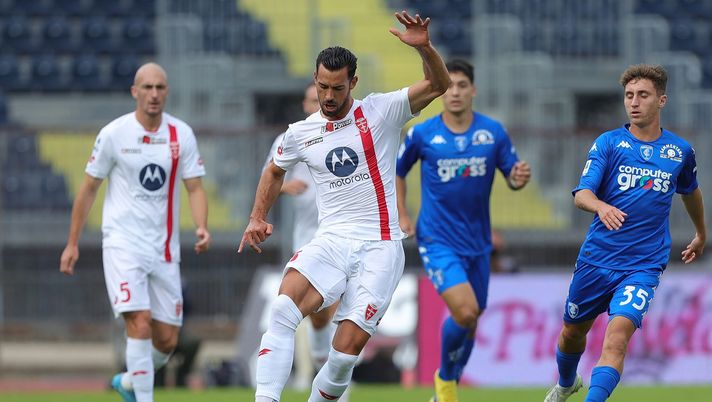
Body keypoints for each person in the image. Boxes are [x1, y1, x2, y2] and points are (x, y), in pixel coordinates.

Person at [238, 10, 450, 402]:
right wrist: (257, 217)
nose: (329, 97)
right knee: (284, 308)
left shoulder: (381, 111)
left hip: (380, 247)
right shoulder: (301, 133)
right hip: (332, 239)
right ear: (314, 83)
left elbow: (439, 83)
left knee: (342, 357)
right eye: (322, 87)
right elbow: (273, 170)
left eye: (337, 88)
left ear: (353, 81)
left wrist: (425, 49)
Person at [544, 64, 706, 402]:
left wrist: (701, 233)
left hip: (643, 265)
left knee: (617, 338)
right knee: (571, 334)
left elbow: (690, 191)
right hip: (597, 258)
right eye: (629, 95)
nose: (634, 102)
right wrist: (601, 206)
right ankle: (565, 383)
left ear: (661, 100)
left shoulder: (679, 152)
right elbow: (582, 194)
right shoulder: (609, 144)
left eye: (643, 95)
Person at [59, 62, 211, 402]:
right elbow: (88, 189)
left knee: (168, 341)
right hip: (123, 244)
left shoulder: (180, 134)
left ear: (166, 91)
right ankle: (143, 397)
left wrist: (201, 226)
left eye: (159, 87)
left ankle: (129, 382)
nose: (154, 94)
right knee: (139, 322)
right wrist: (72, 243)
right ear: (134, 92)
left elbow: (195, 188)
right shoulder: (114, 134)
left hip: (165, 249)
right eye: (147, 87)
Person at [395, 58, 531, 402]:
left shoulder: (492, 132)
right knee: (466, 311)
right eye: (449, 86)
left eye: (461, 86)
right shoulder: (423, 133)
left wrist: (517, 179)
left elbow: (512, 174)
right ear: (440, 90)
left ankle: (447, 385)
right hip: (437, 240)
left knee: (471, 318)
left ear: (473, 90)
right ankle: (444, 382)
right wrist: (402, 215)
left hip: (478, 244)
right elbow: (396, 170)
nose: (454, 92)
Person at [263, 83, 341, 390]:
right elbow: (268, 177)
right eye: (312, 99)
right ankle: (322, 364)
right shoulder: (291, 137)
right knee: (320, 316)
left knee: (339, 311)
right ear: (306, 103)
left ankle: (333, 379)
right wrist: (285, 187)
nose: (318, 103)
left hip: (346, 237)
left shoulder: (347, 133)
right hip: (309, 238)